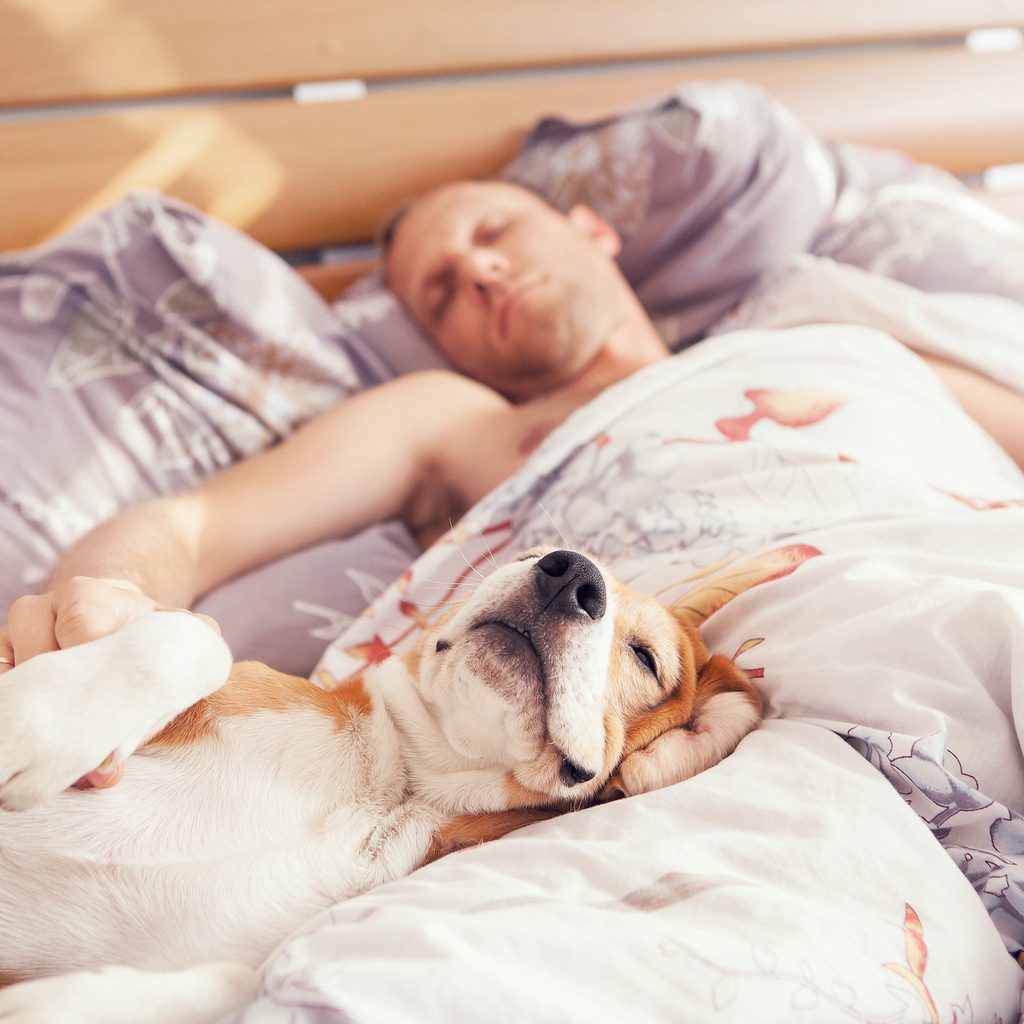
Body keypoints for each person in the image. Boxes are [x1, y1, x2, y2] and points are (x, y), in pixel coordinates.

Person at [2, 178, 1022, 789]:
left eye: (493, 232)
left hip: (963, 583)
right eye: (440, 290)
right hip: (684, 711)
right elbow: (188, 528)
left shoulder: (838, 340)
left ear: (593, 229)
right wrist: (109, 610)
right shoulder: (455, 422)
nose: (479, 273)